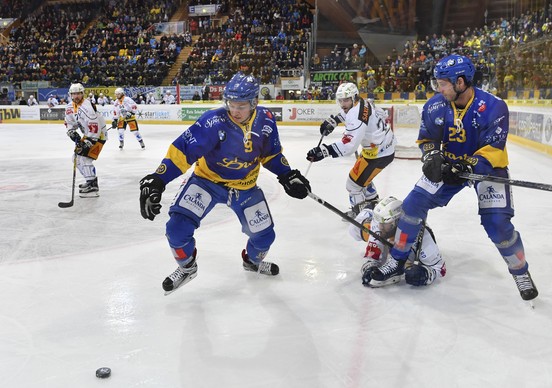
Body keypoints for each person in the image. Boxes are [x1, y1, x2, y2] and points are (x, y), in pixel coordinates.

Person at [362, 54, 538, 301]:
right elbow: (427, 139)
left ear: (461, 82)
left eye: (443, 83)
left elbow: (493, 149)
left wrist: (468, 165)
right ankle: (397, 260)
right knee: (413, 205)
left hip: (488, 169)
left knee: (497, 225)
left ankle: (520, 271)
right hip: (450, 165)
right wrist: (432, 156)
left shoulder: (494, 106)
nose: (438, 88)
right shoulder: (435, 106)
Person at [138, 72, 311, 295]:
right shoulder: (213, 121)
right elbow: (183, 151)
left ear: (254, 103)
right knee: (176, 228)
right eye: (231, 104)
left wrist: (287, 175)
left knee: (265, 237)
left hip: (245, 186)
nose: (235, 111)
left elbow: (270, 154)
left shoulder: (266, 120)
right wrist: (158, 179)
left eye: (241, 105)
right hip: (206, 182)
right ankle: (187, 267)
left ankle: (251, 261)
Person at [306, 82, 396, 217]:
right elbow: (346, 111)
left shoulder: (356, 116)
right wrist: (334, 120)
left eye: (346, 100)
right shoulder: (361, 102)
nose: (343, 104)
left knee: (353, 185)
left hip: (378, 154)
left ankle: (361, 217)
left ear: (353, 98)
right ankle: (373, 202)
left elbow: (349, 145)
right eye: (340, 100)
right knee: (362, 179)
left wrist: (325, 151)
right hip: (380, 147)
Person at [348, 196, 445, 287]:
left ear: (397, 222)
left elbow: (440, 268)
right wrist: (370, 267)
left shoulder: (421, 237)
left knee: (408, 255)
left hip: (406, 239)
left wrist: (425, 274)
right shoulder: (380, 223)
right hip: (388, 228)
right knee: (354, 229)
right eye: (379, 222)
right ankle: (370, 208)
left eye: (384, 224)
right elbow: (373, 257)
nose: (380, 226)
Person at [64, 83, 108, 197]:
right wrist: (71, 132)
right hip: (88, 134)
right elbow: (69, 122)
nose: (76, 96)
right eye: (74, 94)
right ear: (70, 95)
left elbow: (95, 127)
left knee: (85, 159)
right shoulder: (70, 107)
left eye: (78, 93)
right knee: (76, 158)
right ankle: (90, 181)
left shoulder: (87, 107)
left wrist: (89, 142)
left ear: (82, 94)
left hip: (98, 135)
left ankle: (92, 185)